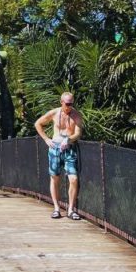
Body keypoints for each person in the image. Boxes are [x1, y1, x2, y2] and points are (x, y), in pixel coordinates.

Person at [34, 92, 84, 220]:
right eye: (67, 104)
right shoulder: (54, 113)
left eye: (71, 104)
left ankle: (71, 210)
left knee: (73, 179)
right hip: (55, 149)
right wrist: (46, 139)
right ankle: (56, 208)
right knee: (55, 178)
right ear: (61, 102)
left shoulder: (76, 115)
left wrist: (68, 139)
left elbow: (78, 133)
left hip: (69, 149)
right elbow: (38, 124)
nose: (69, 106)